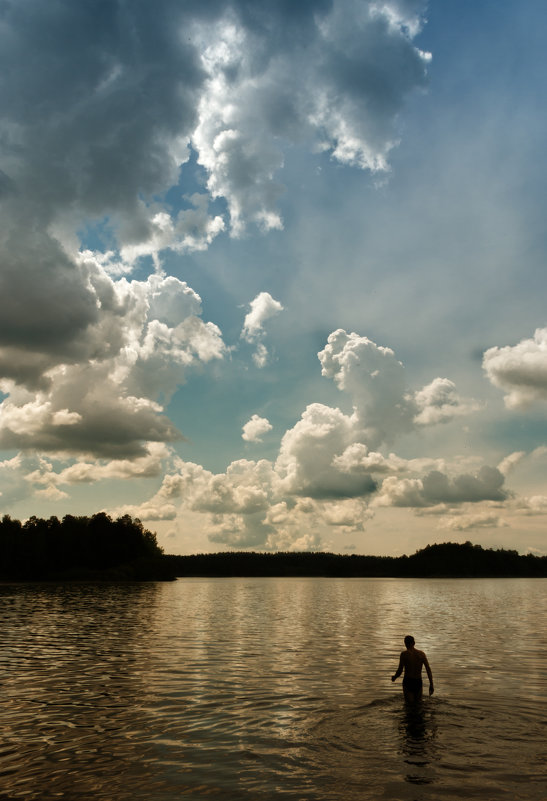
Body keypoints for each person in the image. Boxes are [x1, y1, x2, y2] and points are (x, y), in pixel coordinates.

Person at [391, 635, 434, 702]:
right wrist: (431, 684)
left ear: (405, 643)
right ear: (414, 643)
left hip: (408, 681)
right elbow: (428, 670)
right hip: (418, 681)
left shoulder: (404, 654)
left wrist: (395, 677)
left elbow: (400, 670)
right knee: (418, 705)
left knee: (409, 706)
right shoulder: (421, 654)